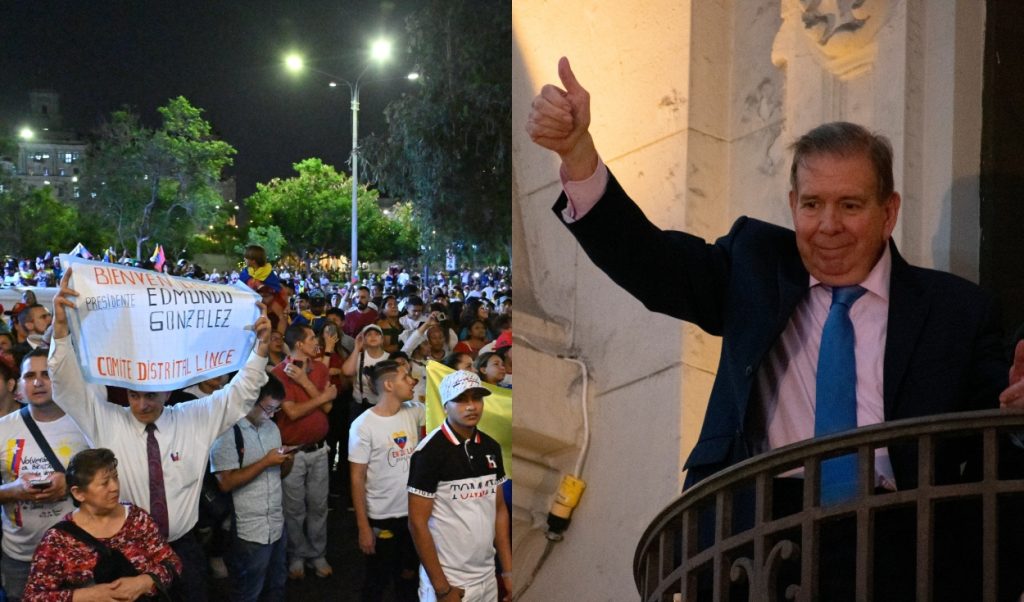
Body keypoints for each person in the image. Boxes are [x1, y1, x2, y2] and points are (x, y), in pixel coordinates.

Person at [527, 58, 1024, 597]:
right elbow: (652, 264)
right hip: (754, 538)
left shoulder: (958, 311)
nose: (828, 225)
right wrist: (578, 154)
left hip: (902, 542)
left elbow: (994, 434)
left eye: (850, 205)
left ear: (889, 211)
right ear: (792, 205)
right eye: (812, 204)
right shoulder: (756, 266)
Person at [48, 268, 273, 602]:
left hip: (184, 547)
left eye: (151, 394)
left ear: (168, 392)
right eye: (134, 395)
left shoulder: (194, 418)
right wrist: (62, 332)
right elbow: (66, 387)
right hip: (125, 553)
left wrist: (260, 351)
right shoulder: (106, 420)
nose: (142, 403)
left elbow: (239, 394)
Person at [407, 370, 512, 602]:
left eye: (476, 398)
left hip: (487, 577)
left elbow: (500, 511)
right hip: (452, 582)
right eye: (461, 399)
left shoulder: (491, 447)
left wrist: (508, 570)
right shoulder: (429, 453)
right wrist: (442, 587)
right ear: (446, 405)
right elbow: (417, 522)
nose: (471, 406)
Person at [22, 448, 181, 601]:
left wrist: (144, 582)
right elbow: (33, 597)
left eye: (115, 477)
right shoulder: (58, 539)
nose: (115, 487)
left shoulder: (137, 519)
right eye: (105, 483)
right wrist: (87, 596)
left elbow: (172, 563)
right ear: (78, 493)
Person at [0, 349, 92, 601]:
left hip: (78, 552)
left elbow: (110, 483)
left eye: (46, 374)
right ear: (19, 385)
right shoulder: (3, 429)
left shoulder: (85, 424)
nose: (38, 382)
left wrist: (69, 485)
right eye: (29, 376)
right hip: (21, 557)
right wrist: (13, 491)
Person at [210, 377, 293, 602]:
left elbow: (279, 474)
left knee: (277, 585)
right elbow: (225, 482)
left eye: (276, 409)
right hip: (248, 529)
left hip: (276, 522)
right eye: (268, 409)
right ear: (250, 401)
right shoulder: (227, 433)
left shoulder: (272, 428)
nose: (272, 415)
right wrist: (266, 461)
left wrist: (286, 461)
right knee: (248, 590)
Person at [348, 360, 425, 601]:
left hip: (413, 516)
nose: (412, 381)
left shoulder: (414, 411)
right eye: (406, 378)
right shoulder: (363, 425)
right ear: (389, 385)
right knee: (377, 581)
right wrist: (363, 527)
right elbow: (357, 478)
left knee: (409, 579)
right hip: (382, 517)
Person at [271, 324, 337, 580]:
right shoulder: (278, 373)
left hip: (319, 451)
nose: (317, 342)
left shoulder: (319, 368)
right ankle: (297, 555)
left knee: (319, 506)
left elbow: (329, 408)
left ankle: (317, 554)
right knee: (294, 509)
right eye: (312, 338)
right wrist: (320, 398)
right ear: (299, 344)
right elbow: (293, 412)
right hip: (293, 453)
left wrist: (304, 382)